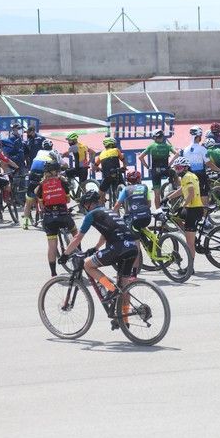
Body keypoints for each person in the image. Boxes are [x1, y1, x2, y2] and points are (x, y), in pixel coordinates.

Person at [61, 190, 138, 330]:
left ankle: (110, 288)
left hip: (118, 247)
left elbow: (78, 237)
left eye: (84, 205)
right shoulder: (109, 211)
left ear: (88, 204)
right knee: (124, 286)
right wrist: (96, 248)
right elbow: (107, 233)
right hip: (132, 247)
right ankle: (125, 320)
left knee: (87, 265)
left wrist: (65, 254)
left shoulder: (91, 215)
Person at [35, 161, 77, 277]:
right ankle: (78, 251)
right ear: (56, 171)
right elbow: (68, 200)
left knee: (52, 245)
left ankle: (53, 273)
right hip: (63, 215)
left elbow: (41, 205)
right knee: (74, 231)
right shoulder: (62, 182)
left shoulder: (41, 185)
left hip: (49, 218)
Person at [162, 157, 204, 271]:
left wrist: (184, 205)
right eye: (176, 168)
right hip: (192, 209)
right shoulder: (187, 176)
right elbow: (182, 190)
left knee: (189, 243)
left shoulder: (188, 177)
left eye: (179, 168)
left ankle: (190, 268)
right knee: (176, 217)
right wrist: (167, 198)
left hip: (193, 209)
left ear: (185, 167)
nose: (177, 170)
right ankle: (188, 233)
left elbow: (190, 193)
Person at [23, 139, 63, 229]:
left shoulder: (39, 152)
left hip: (32, 173)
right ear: (51, 146)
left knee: (28, 200)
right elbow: (62, 164)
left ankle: (24, 223)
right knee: (47, 193)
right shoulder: (54, 152)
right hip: (44, 174)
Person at [181, 126, 220, 210]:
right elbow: (209, 163)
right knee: (204, 197)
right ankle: (205, 220)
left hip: (188, 176)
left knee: (190, 196)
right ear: (198, 137)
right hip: (200, 176)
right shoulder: (202, 149)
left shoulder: (185, 149)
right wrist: (219, 169)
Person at [138, 129, 176, 209]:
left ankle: (158, 212)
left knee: (157, 194)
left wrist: (147, 167)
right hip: (166, 169)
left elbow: (140, 157)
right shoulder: (167, 146)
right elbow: (177, 154)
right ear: (162, 137)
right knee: (174, 173)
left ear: (154, 138)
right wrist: (170, 163)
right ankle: (177, 187)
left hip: (155, 171)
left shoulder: (151, 146)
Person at [94, 137, 126, 205]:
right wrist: (124, 167)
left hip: (107, 176)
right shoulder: (116, 150)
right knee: (124, 188)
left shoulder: (101, 153)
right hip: (117, 173)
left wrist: (99, 169)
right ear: (111, 144)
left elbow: (95, 165)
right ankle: (126, 203)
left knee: (100, 192)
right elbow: (123, 160)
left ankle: (100, 205)